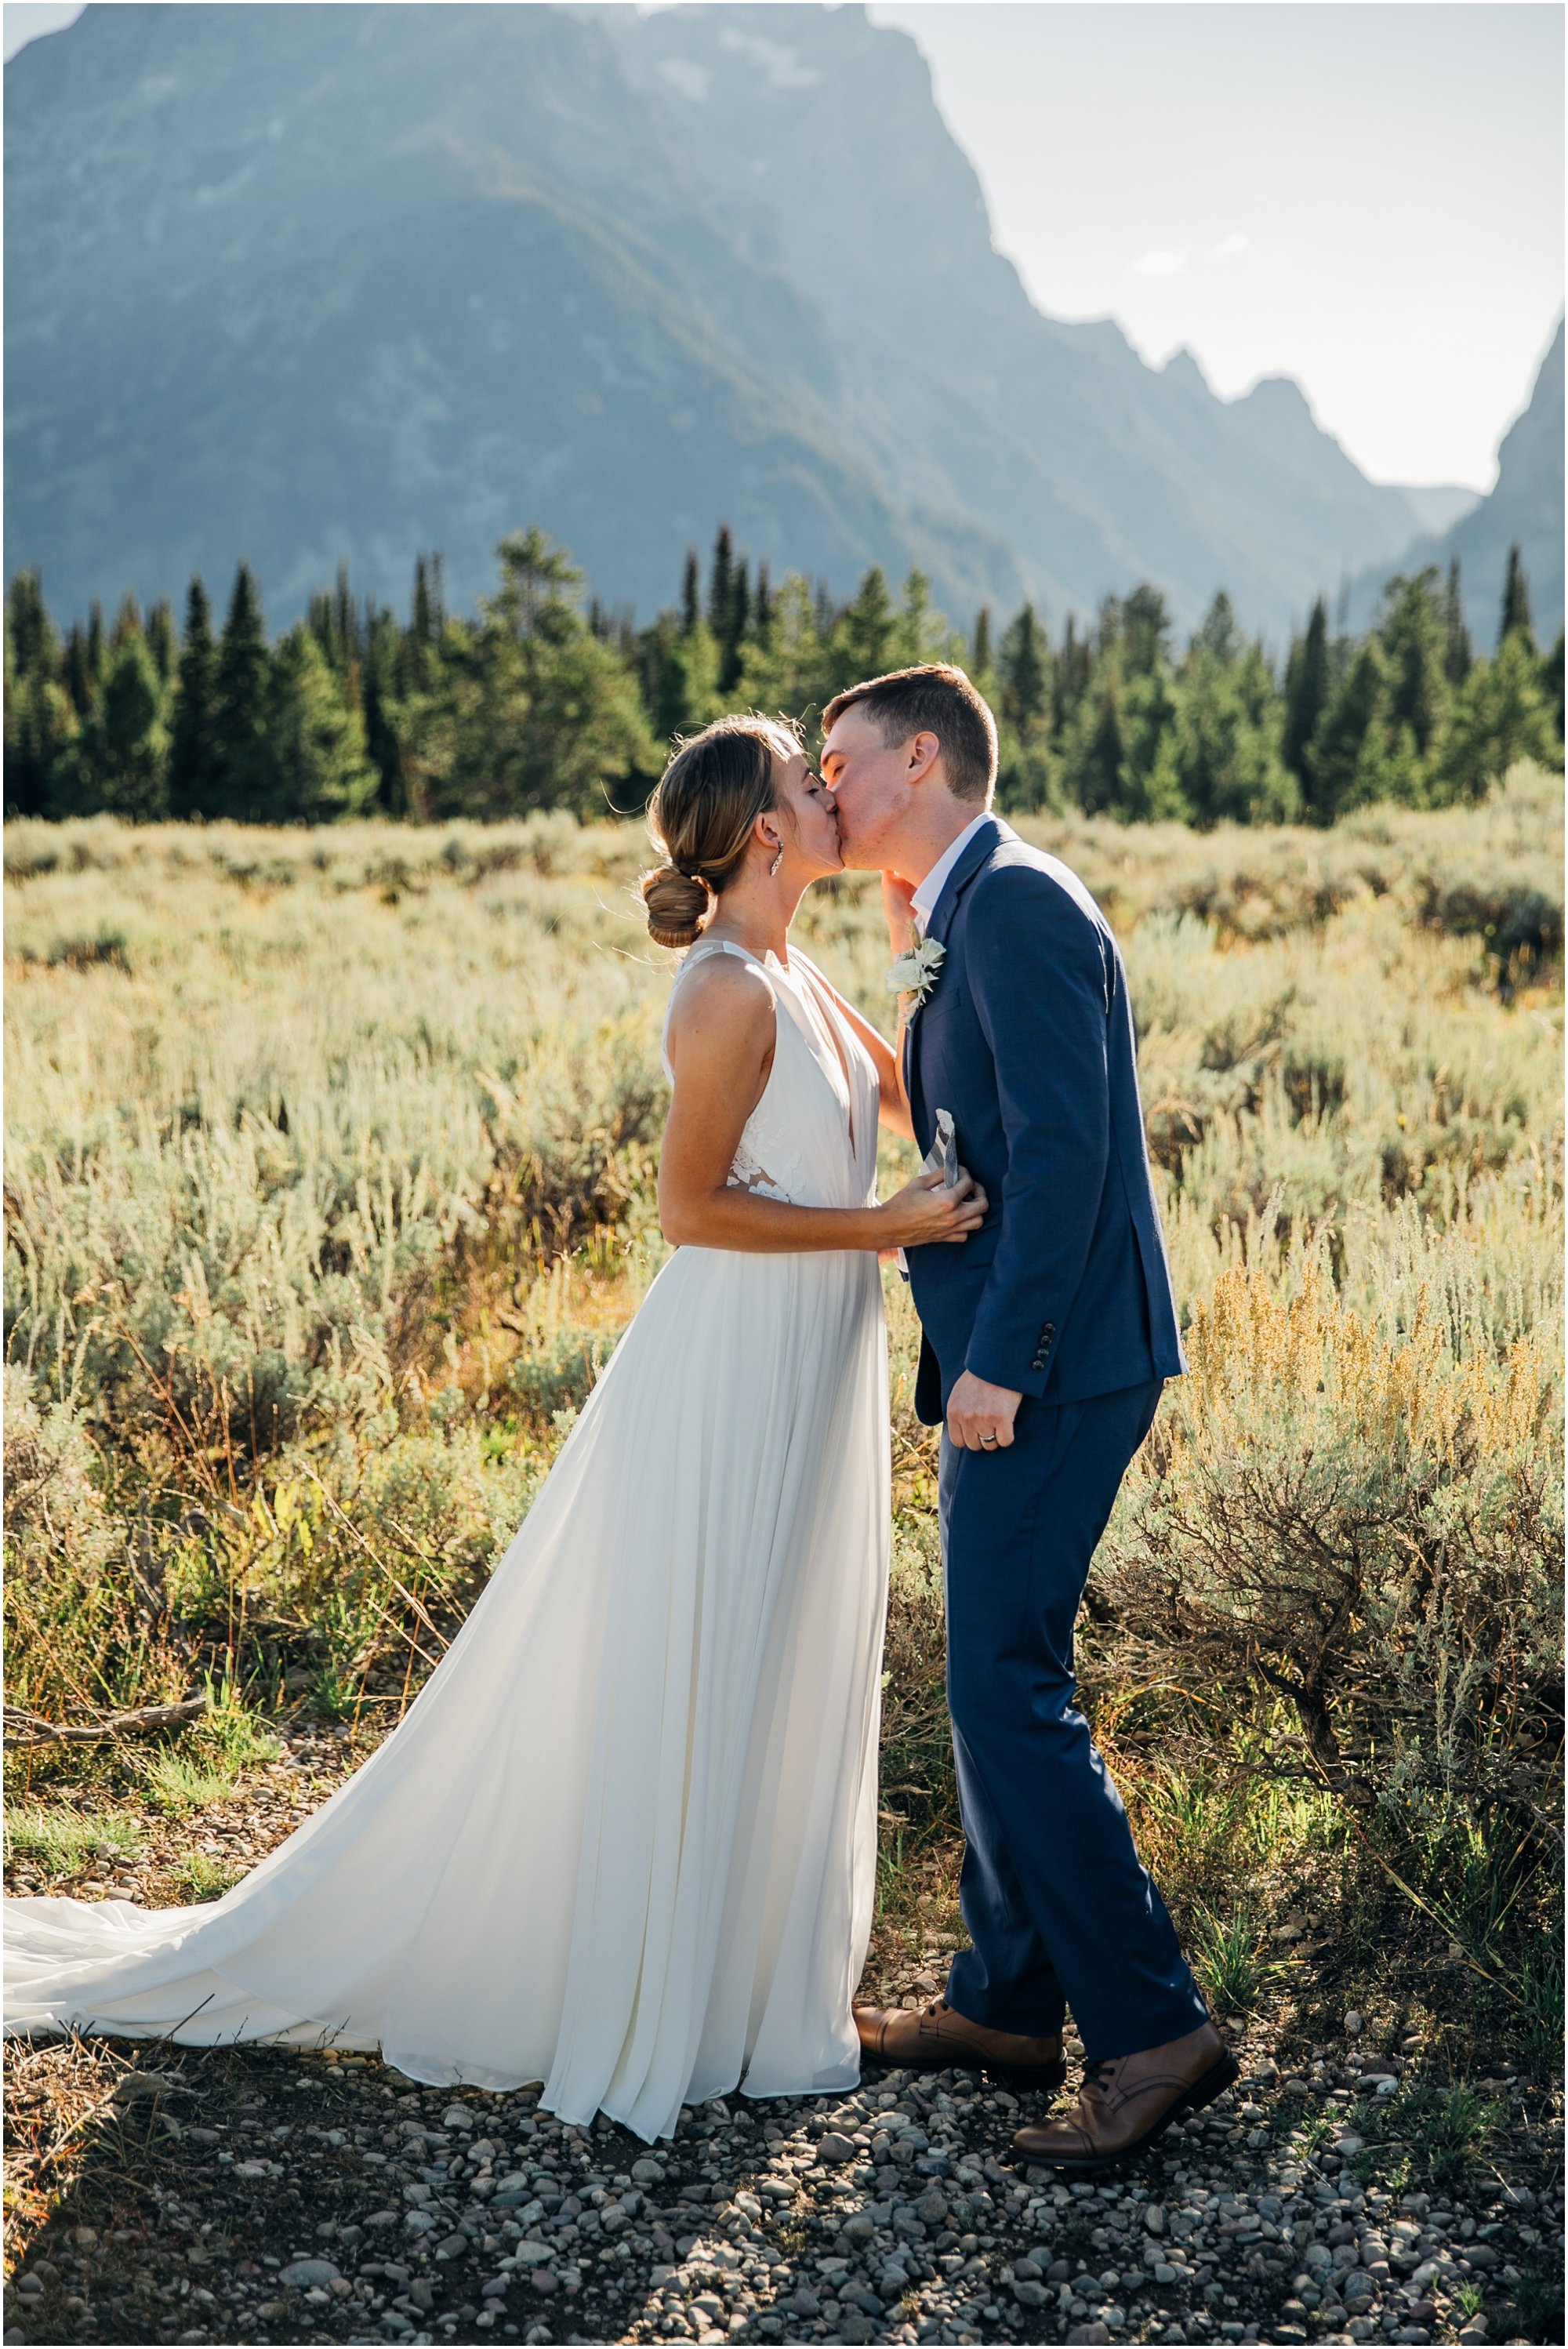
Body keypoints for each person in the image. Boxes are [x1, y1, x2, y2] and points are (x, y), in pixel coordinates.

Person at [2, 714, 985, 2148]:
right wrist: (883, 1225)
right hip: (732, 1357)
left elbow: (902, 1094)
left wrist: (916, 944)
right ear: (766, 829)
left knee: (780, 1656)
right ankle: (654, 1991)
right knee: (704, 1650)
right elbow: (691, 1211)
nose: (833, 790)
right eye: (806, 778)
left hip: (815, 1356)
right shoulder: (725, 990)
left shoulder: (801, 966)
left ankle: (752, 1995)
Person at [822, 663, 1237, 2173]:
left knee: (1005, 1682)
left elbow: (1069, 1158)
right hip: (1015, 1351)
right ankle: (1003, 2008)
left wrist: (1004, 1361)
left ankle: (1153, 2031)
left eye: (842, 759)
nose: (826, 783)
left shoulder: (1016, 904)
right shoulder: (960, 903)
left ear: (919, 756)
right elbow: (981, 1128)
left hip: (1054, 1364)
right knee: (994, 1675)